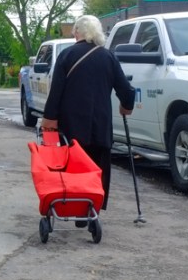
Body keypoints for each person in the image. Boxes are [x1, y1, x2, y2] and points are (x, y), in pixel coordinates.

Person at [41, 15, 135, 222]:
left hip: (72, 128)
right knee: (97, 169)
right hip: (100, 126)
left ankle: (71, 206)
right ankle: (92, 210)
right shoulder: (108, 57)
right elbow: (126, 90)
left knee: (73, 169)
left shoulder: (66, 56)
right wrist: (126, 106)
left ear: (77, 32)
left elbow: (56, 92)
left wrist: (49, 120)